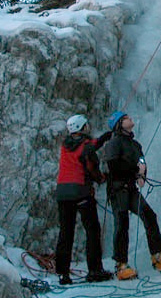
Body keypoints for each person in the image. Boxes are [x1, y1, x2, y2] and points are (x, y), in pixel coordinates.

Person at [102, 111, 161, 279]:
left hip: (130, 188)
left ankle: (158, 256)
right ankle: (121, 265)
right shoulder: (114, 143)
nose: (130, 119)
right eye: (126, 118)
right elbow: (113, 165)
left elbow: (142, 162)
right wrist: (135, 171)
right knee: (121, 223)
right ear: (119, 124)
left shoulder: (135, 145)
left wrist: (142, 174)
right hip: (118, 190)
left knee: (149, 216)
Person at [54, 114, 113, 285]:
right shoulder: (86, 147)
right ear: (82, 128)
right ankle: (95, 270)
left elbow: (88, 146)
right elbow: (91, 167)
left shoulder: (65, 145)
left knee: (66, 233)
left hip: (62, 192)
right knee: (92, 230)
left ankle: (63, 274)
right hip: (80, 192)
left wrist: (102, 139)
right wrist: (102, 178)